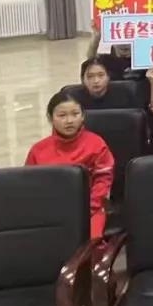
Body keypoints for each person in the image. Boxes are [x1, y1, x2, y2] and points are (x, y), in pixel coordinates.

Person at [26, 91, 114, 238]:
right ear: (50, 118)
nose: (69, 121)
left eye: (75, 114)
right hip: (49, 211)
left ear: (83, 116)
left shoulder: (97, 144)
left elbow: (103, 182)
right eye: (62, 115)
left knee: (90, 241)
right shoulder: (38, 150)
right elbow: (29, 188)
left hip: (90, 209)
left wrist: (87, 209)